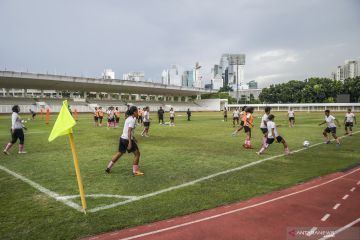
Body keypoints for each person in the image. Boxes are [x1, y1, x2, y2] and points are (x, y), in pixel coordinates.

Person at [105, 106, 144, 176]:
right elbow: (129, 131)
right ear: (134, 112)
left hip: (122, 138)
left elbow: (128, 131)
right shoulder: (132, 119)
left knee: (119, 153)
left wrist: (134, 138)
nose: (138, 113)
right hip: (127, 139)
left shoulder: (129, 118)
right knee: (137, 154)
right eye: (137, 112)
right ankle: (135, 171)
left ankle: (108, 167)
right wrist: (130, 142)